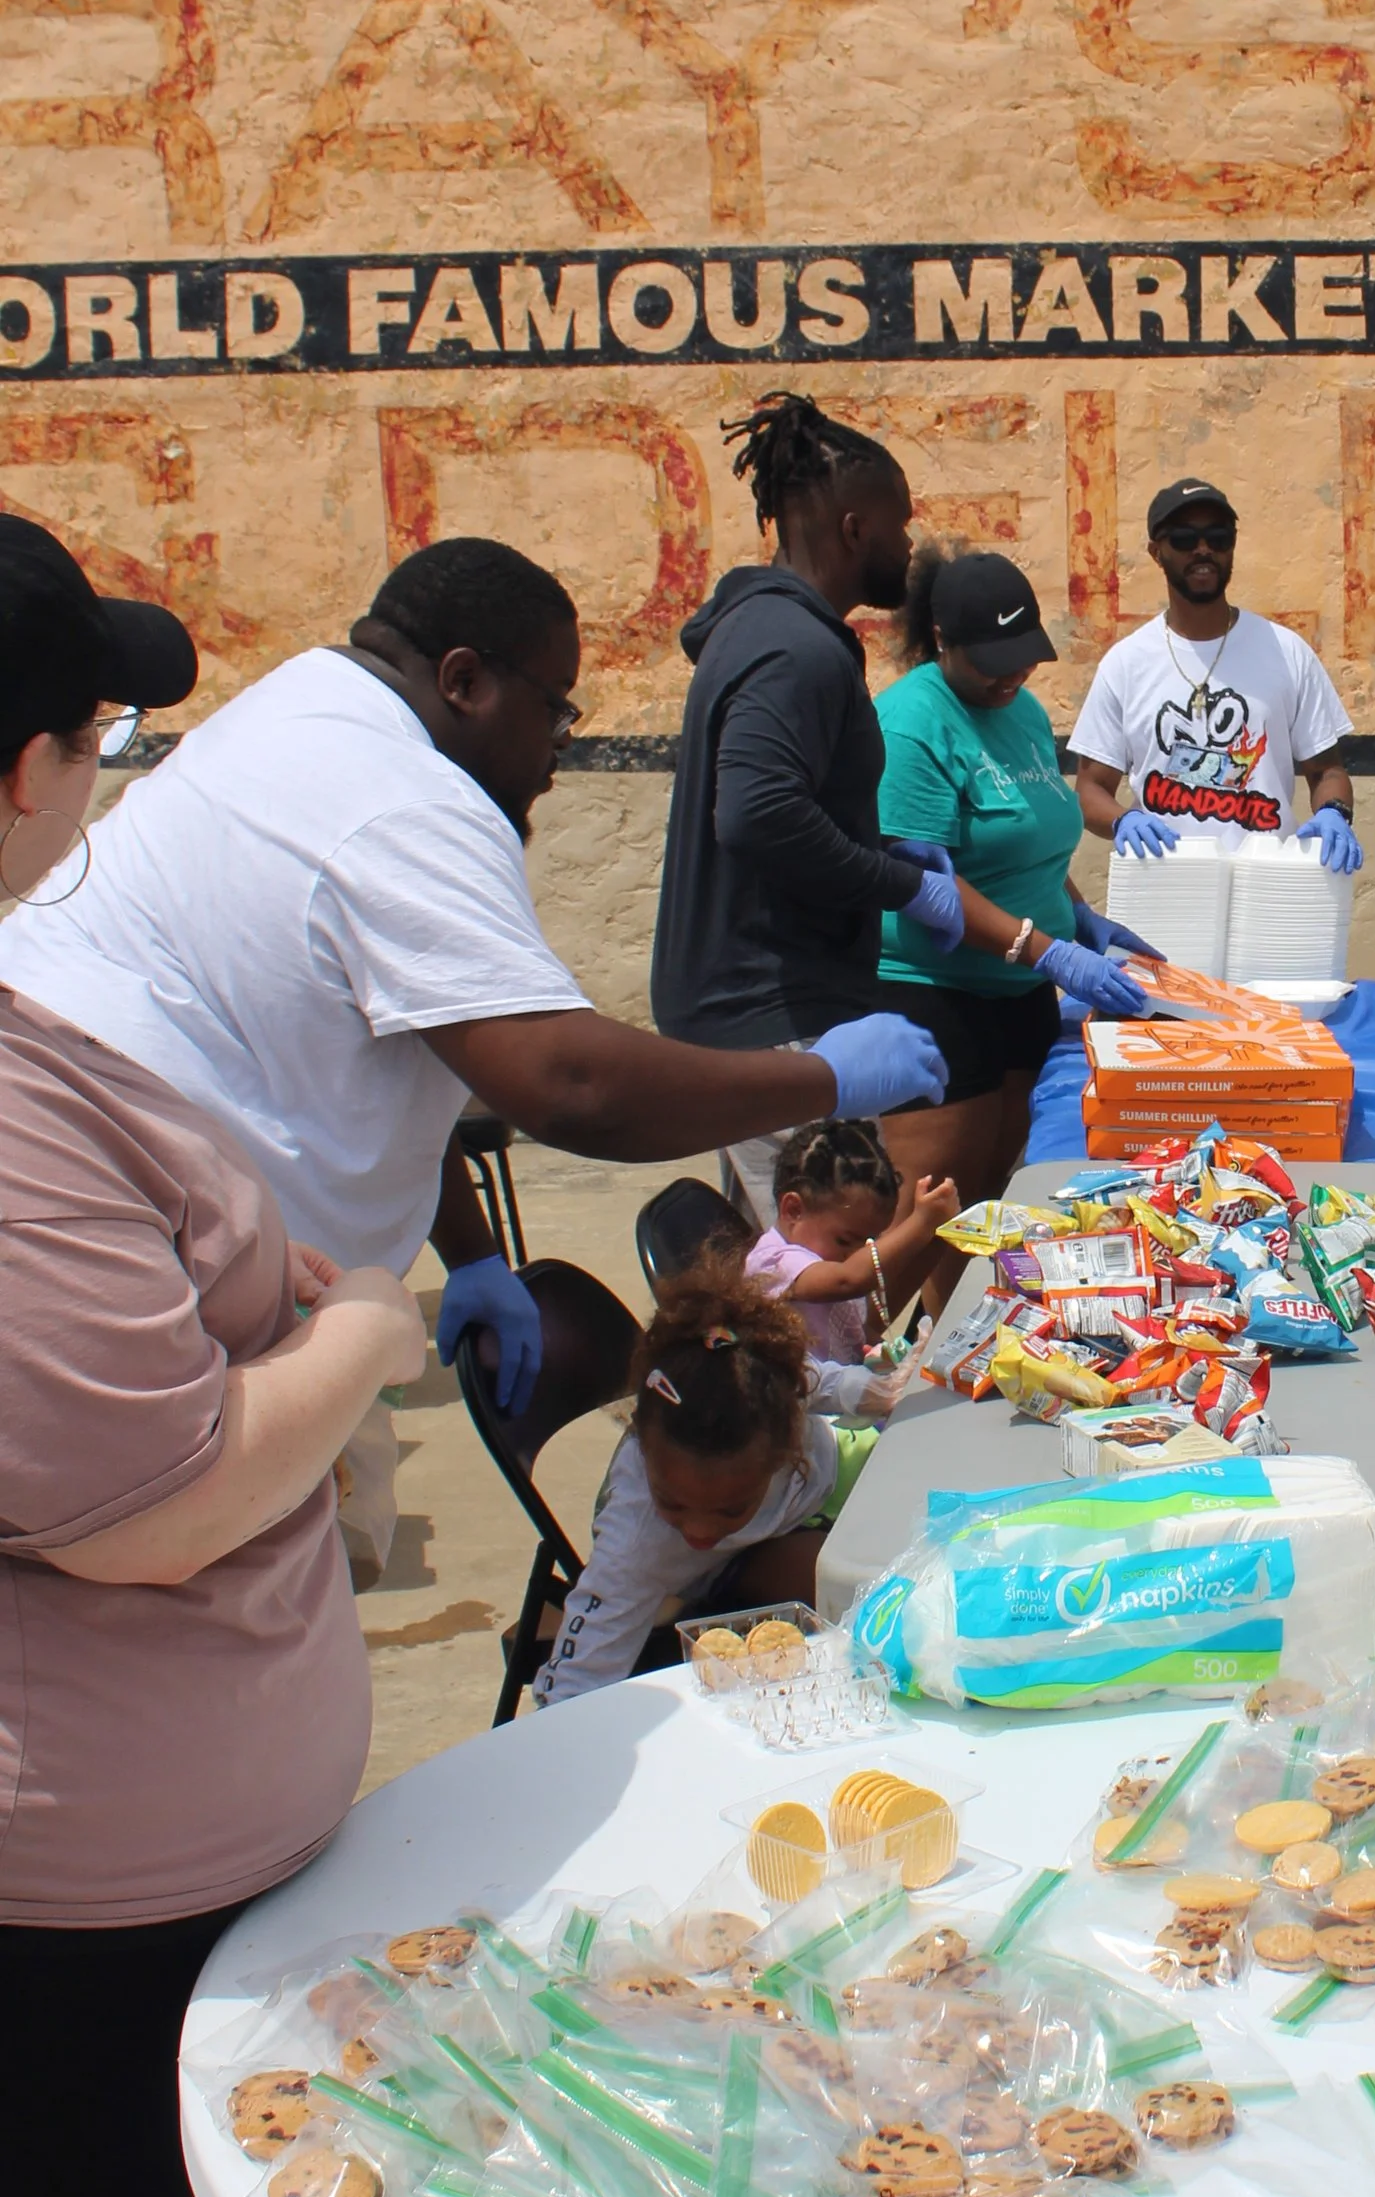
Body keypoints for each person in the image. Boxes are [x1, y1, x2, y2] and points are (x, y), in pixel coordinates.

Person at [1, 520, 428, 2197]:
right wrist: (354, 1323)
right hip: (51, 1836)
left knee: (142, 2181)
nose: (108, 777)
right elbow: (139, 1492)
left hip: (144, 1828)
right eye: (91, 737)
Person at [0, 534, 943, 1563]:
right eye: (556, 709)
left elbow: (403, 1040)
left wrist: (473, 1255)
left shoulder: (296, 708)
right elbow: (571, 1085)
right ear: (464, 681)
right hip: (178, 1304)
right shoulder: (402, 798)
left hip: (181, 1242)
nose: (557, 749)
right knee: (221, 1590)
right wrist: (826, 1075)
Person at [651, 396, 964, 1220]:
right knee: (828, 1285)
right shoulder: (794, 648)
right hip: (776, 1008)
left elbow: (785, 802)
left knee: (766, 1262)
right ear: (856, 527)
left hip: (759, 1003)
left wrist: (887, 846)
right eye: (900, 524)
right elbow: (757, 815)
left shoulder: (763, 631)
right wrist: (903, 885)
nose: (908, 544)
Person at [874, 545, 1160, 1276]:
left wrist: (1079, 916)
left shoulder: (1024, 711)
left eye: (1023, 657)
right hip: (936, 995)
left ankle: (962, 1351)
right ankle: (887, 1365)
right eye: (991, 661)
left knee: (997, 1202)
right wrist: (1050, 949)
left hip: (1021, 990)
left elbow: (1027, 842)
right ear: (943, 640)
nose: (1011, 677)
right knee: (933, 1213)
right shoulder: (909, 726)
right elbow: (926, 885)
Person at [532, 1261, 872, 1706]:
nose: (697, 1531)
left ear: (789, 1441)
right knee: (863, 1587)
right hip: (738, 1565)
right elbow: (572, 1684)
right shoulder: (638, 1544)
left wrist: (878, 1391)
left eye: (731, 1508)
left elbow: (812, 1378)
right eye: (671, 1503)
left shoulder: (760, 1378)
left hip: (833, 1474)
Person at [1069, 476, 1363, 868]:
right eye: (1185, 539)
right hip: (1165, 884)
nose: (1203, 550)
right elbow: (1090, 788)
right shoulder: (1126, 664)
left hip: (1265, 883)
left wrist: (1334, 814)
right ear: (1156, 552)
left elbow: (1326, 770)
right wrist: (1125, 820)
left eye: (1219, 537)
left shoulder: (1286, 651)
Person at [742, 1118, 960, 1362]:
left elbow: (854, 1332)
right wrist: (920, 1223)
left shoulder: (826, 1262)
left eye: (869, 1240)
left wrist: (890, 1356)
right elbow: (849, 1279)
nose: (858, 1254)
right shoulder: (773, 1262)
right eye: (845, 1241)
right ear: (793, 1210)